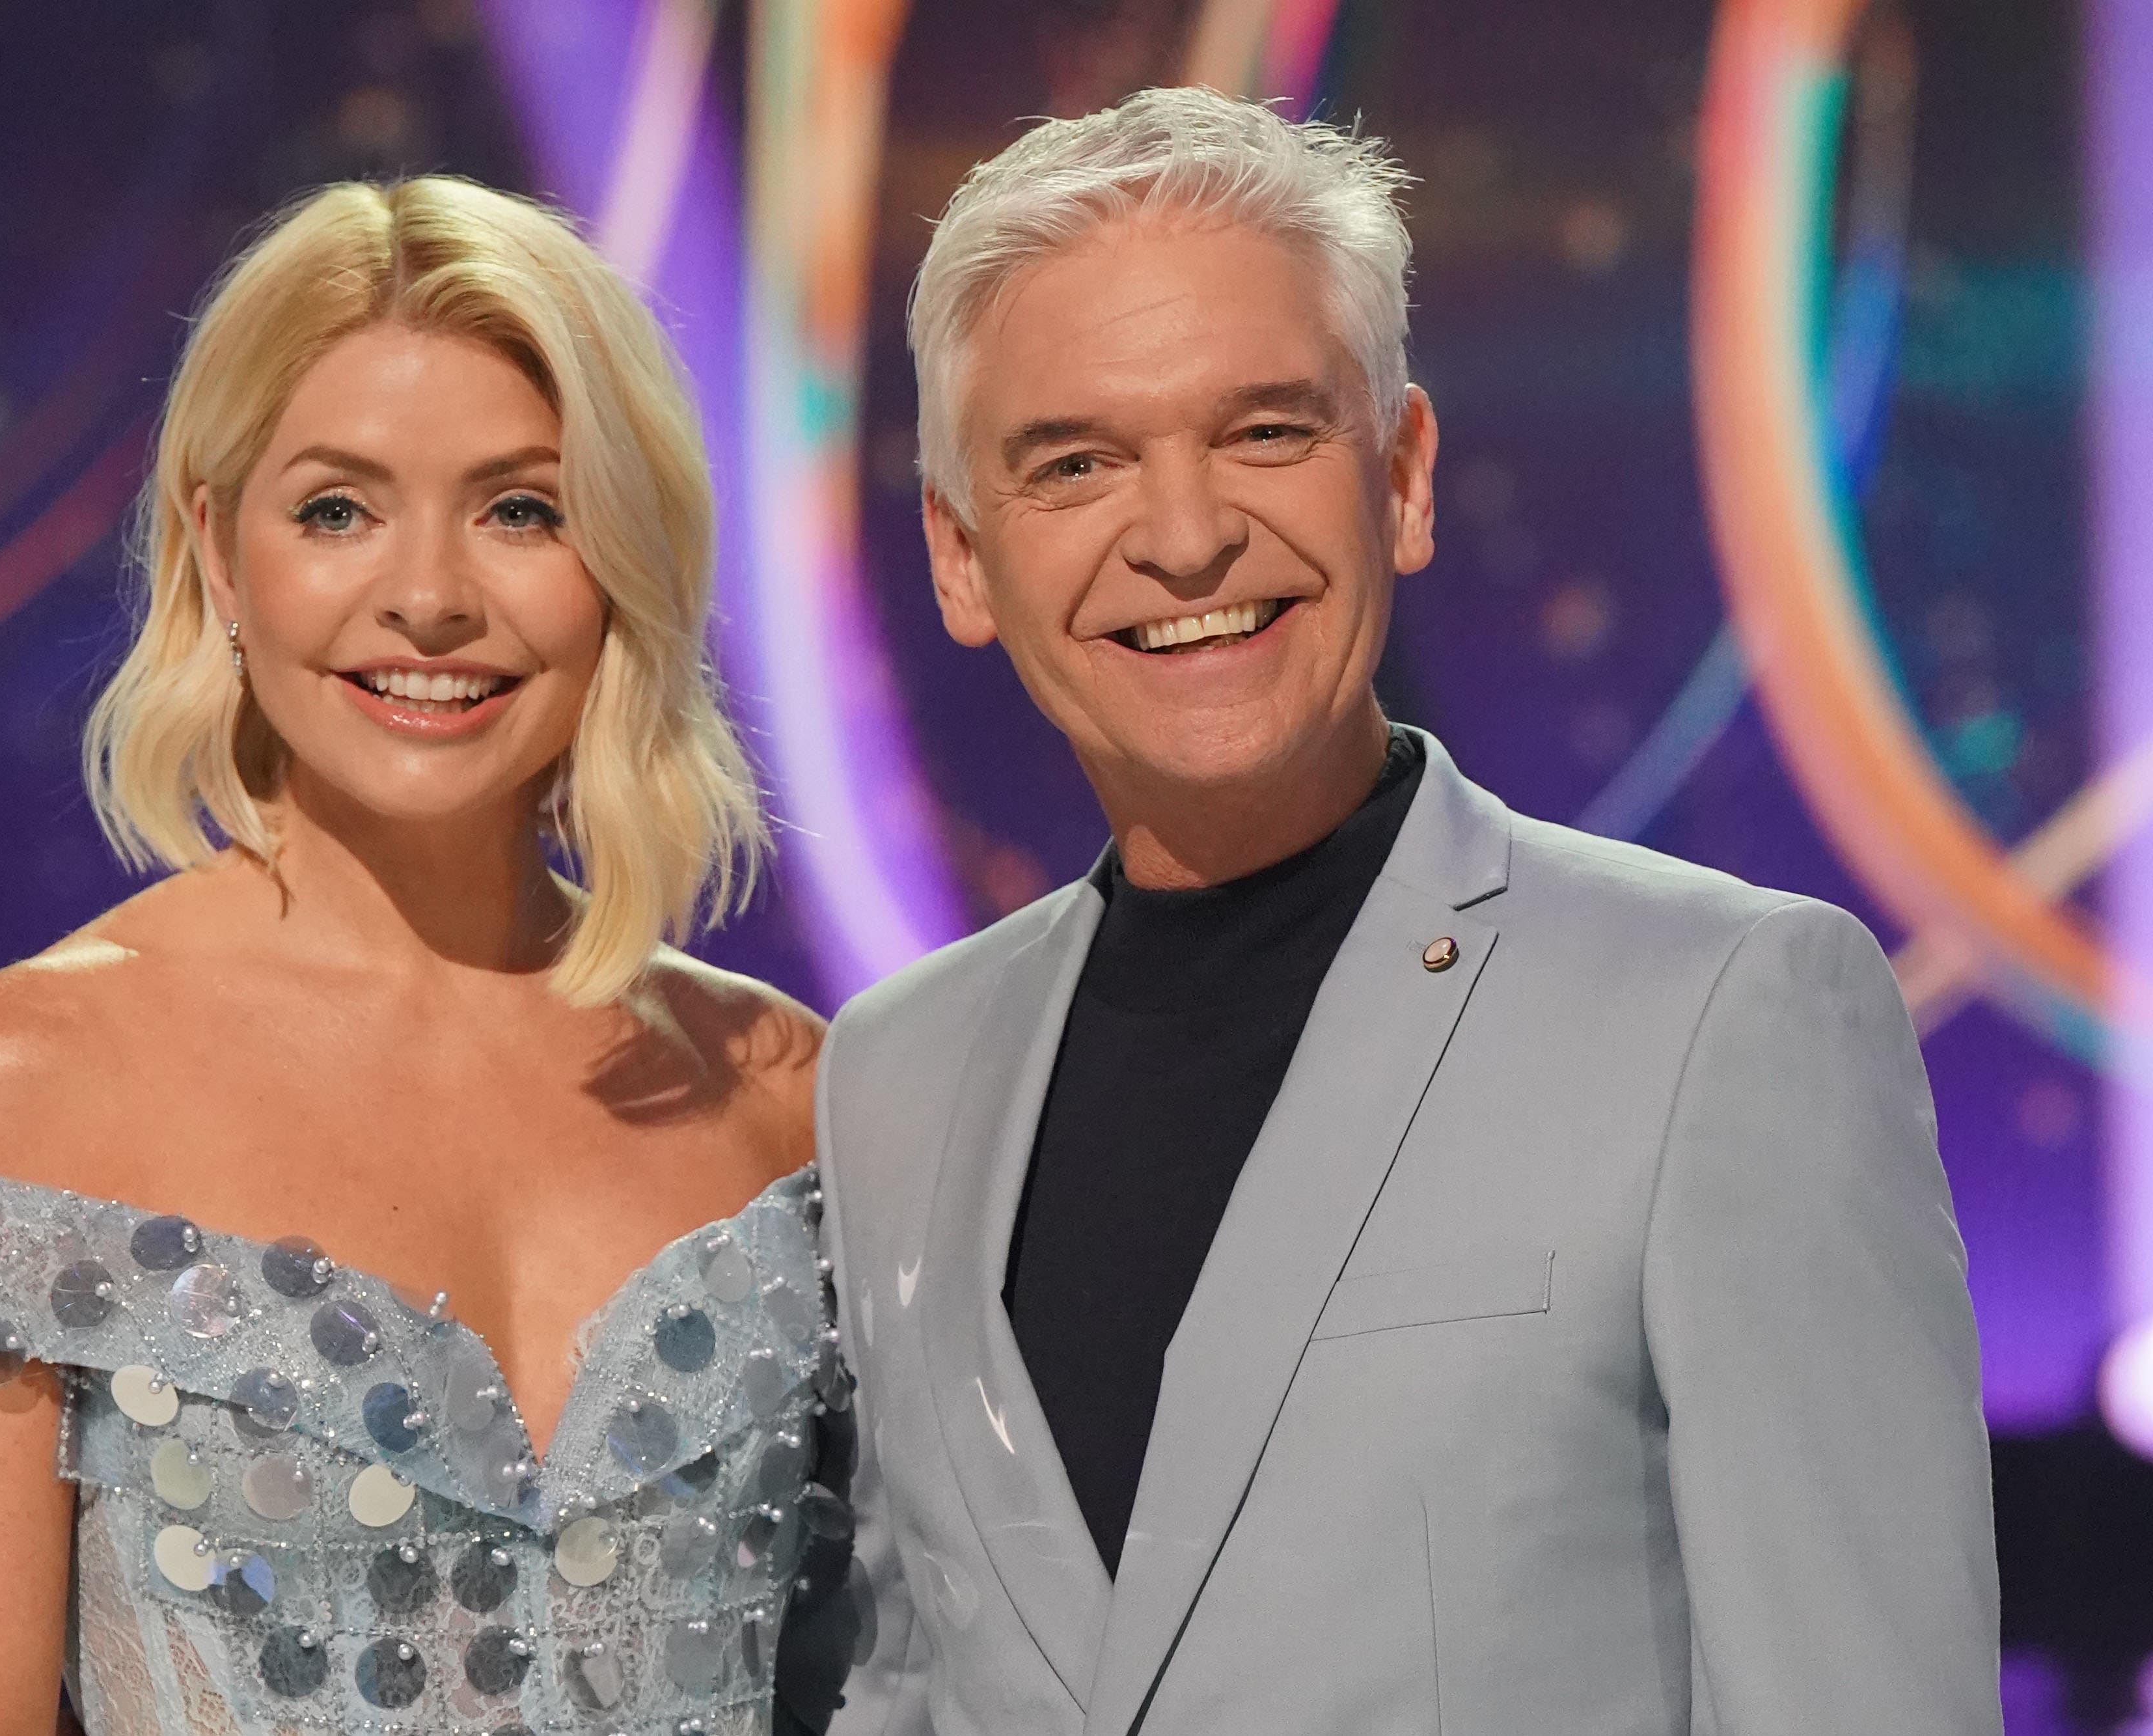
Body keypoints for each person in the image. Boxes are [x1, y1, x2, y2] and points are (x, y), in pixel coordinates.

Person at [810, 87, 2000, 1734]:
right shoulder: (893, 1072)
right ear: (958, 556)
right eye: (1074, 462)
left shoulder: (1720, 1012)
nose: (1181, 533)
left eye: (1265, 430)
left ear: (1404, 476)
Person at [0, 176, 841, 1735]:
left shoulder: (778, 1088)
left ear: (620, 557)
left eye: (520, 508)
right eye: (338, 510)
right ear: (220, 557)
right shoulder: (21, 1087)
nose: (426, 597)